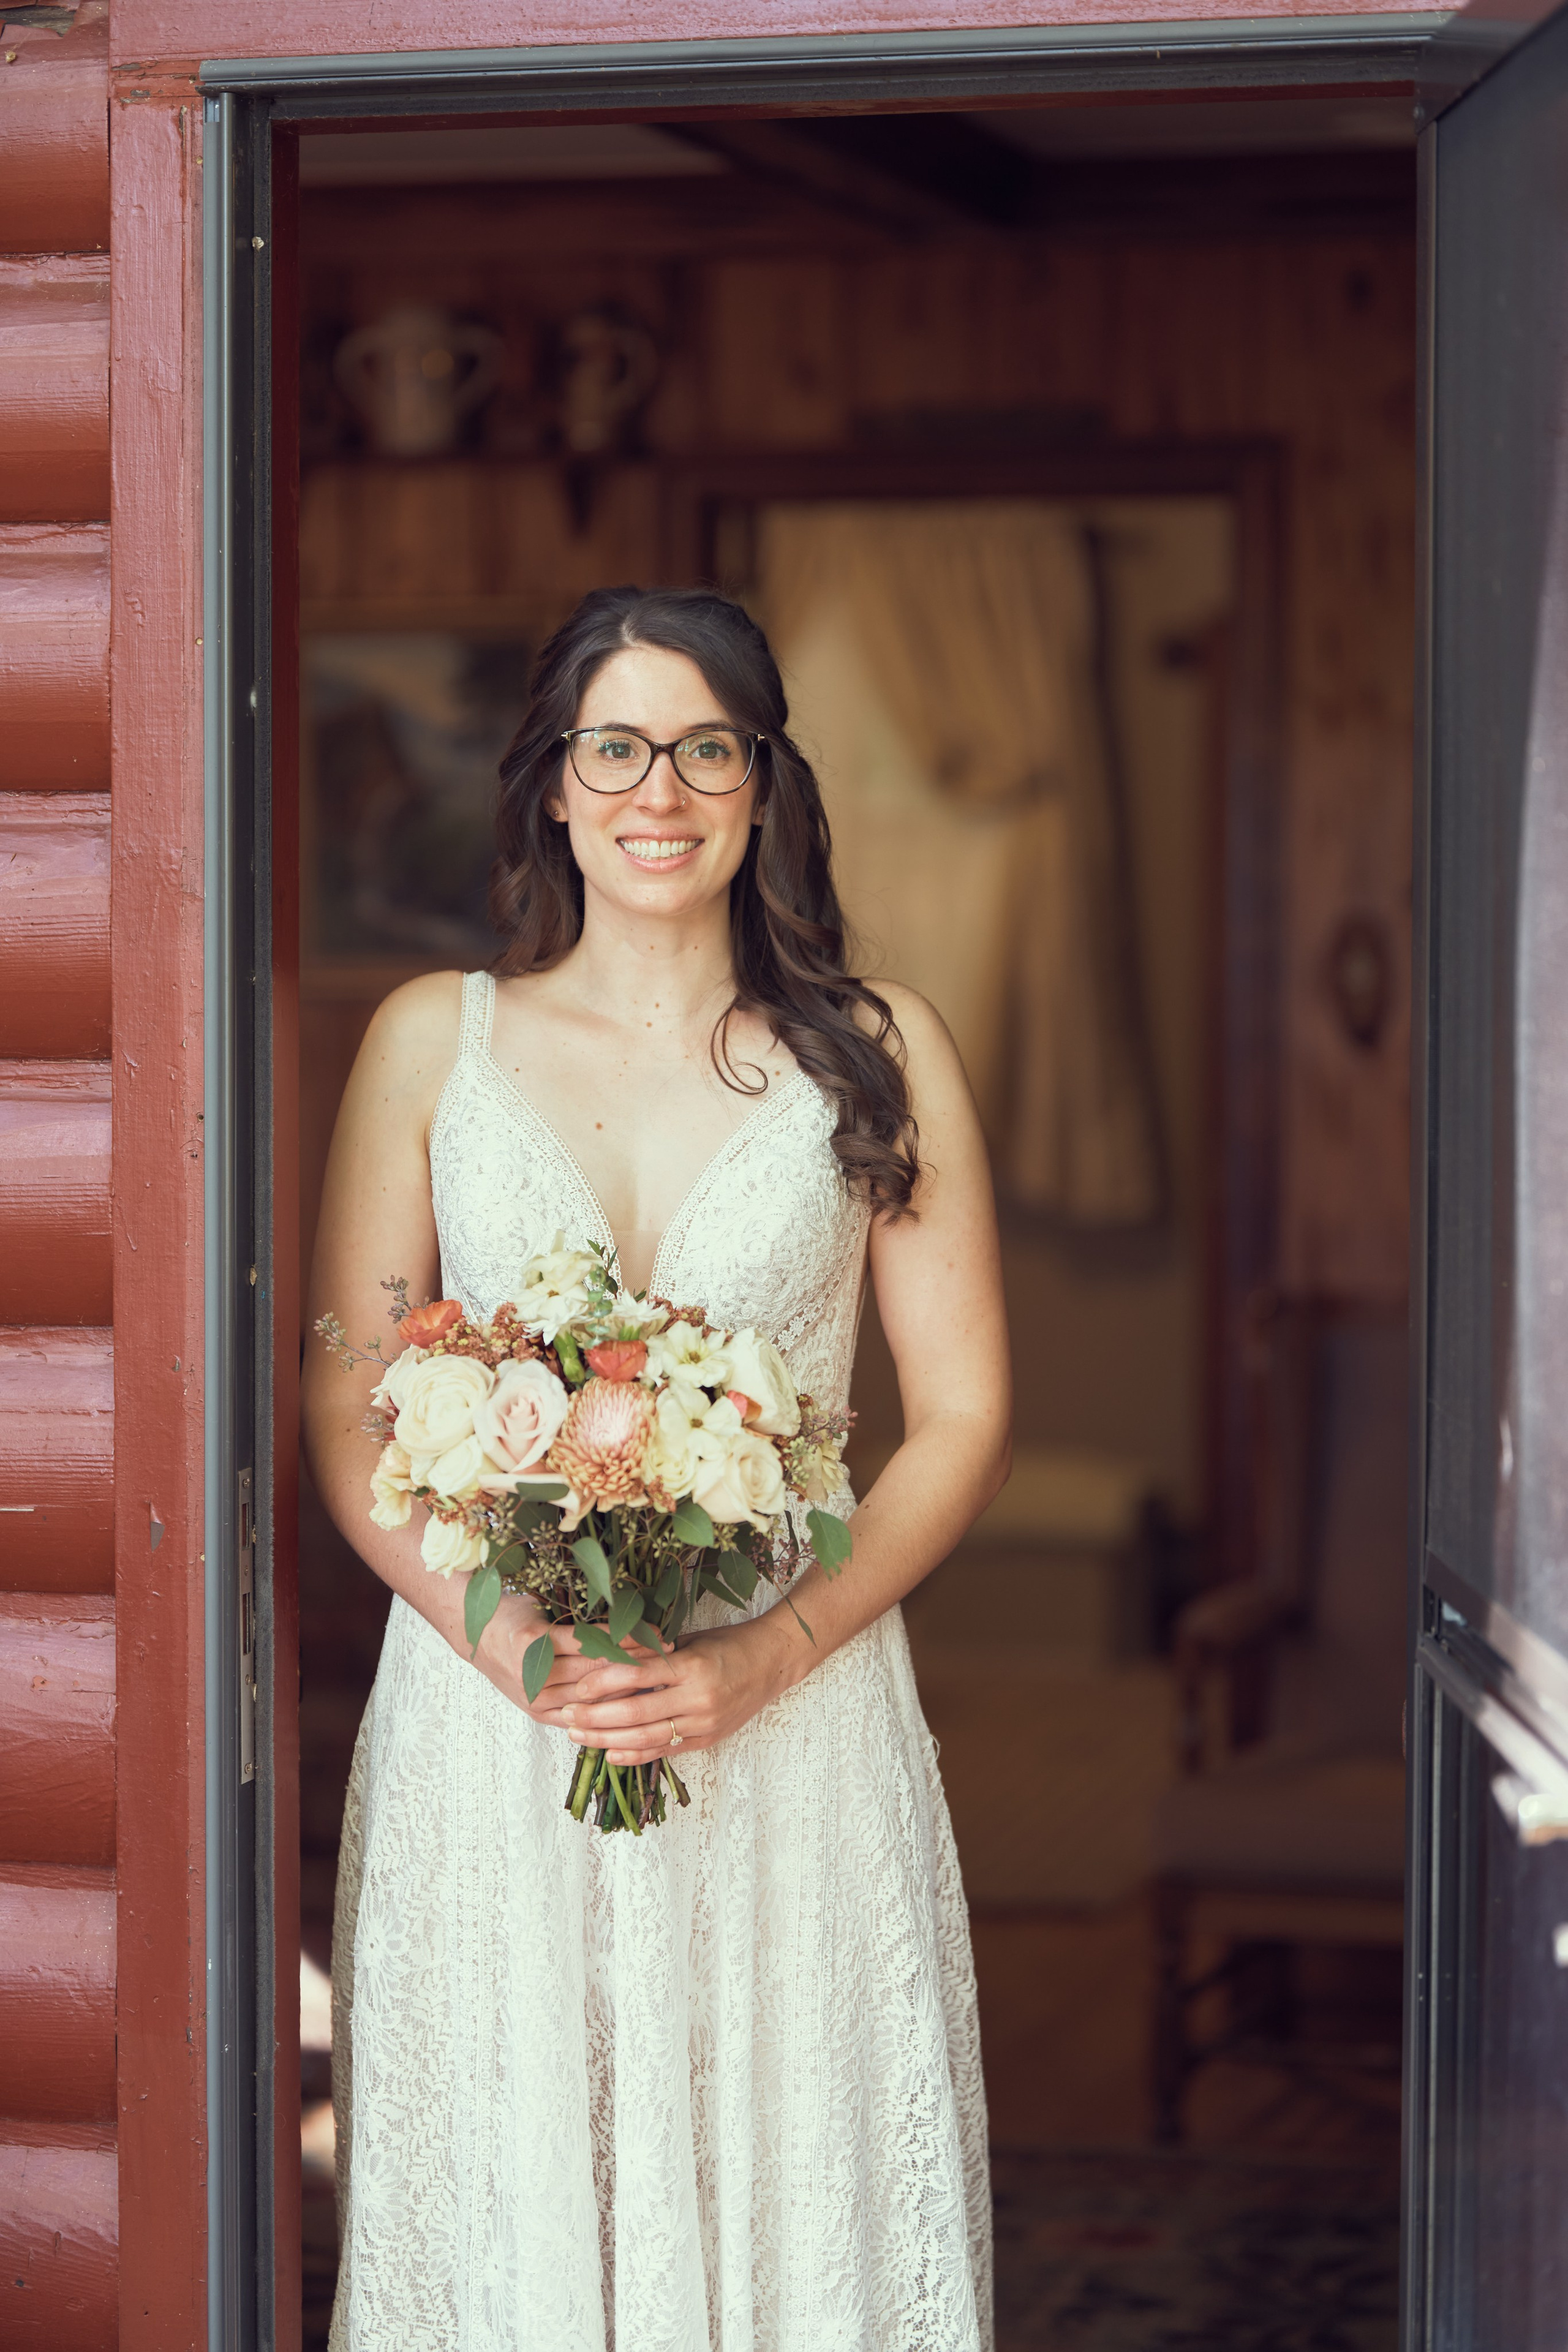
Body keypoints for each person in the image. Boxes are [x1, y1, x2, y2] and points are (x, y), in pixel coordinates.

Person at [303, 584, 1012, 2352]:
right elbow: (349, 1404)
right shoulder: (428, 1042)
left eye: (709, 748)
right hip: (497, 1718)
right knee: (516, 2187)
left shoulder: (881, 1049)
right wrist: (518, 1651)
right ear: (551, 781)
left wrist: (760, 1657)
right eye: (615, 746)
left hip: (793, 1722)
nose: (661, 789)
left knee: (792, 2181)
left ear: (766, 784)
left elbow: (969, 1415)